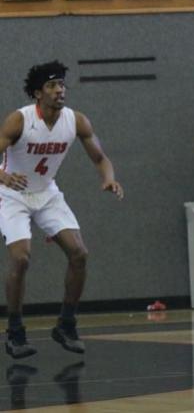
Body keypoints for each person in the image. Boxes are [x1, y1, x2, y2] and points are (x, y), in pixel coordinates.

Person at [0, 61, 123, 359]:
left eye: (62, 85)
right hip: (11, 194)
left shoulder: (76, 120)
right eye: (52, 86)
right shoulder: (19, 120)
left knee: (79, 254)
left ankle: (66, 324)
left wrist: (109, 179)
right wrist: (4, 176)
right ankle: (15, 330)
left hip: (46, 193)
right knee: (21, 258)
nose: (59, 90)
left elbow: (100, 157)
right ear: (38, 93)